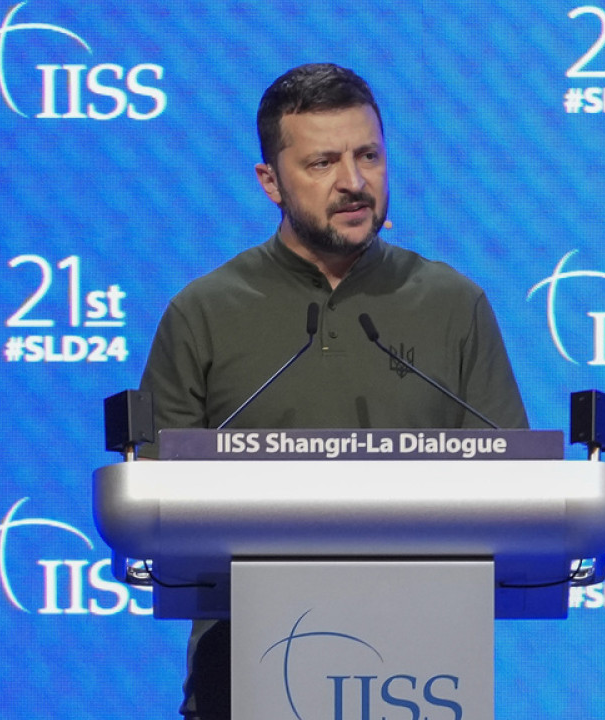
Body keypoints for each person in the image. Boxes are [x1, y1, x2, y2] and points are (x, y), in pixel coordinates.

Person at [137, 62, 528, 719]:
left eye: (368, 155)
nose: (353, 182)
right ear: (270, 181)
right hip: (242, 678)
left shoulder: (452, 304)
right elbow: (156, 509)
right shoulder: (203, 313)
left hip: (418, 685)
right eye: (322, 163)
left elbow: (514, 494)